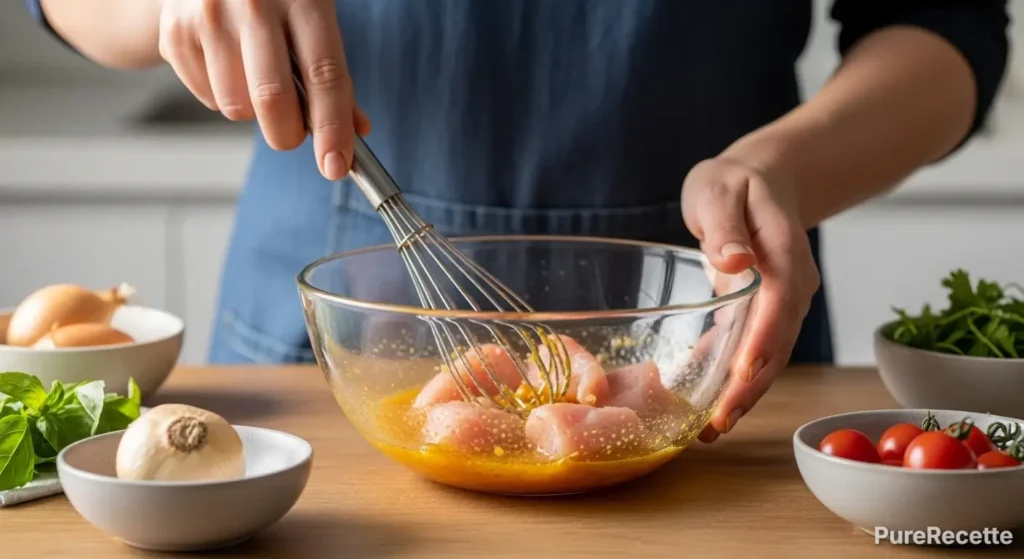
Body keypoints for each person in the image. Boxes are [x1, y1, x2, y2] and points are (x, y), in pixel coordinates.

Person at [26, 0, 1009, 442]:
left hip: (703, 335)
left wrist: (780, 167)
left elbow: (947, 26)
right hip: (324, 347)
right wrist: (167, 5)